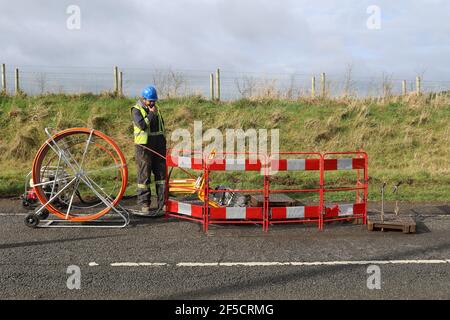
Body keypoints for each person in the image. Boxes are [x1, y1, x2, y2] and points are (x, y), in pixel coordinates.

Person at [131, 85, 166, 216]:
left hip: (159, 145)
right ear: (144, 99)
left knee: (161, 176)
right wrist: (151, 114)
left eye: (154, 100)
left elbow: (161, 128)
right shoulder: (136, 110)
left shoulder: (157, 109)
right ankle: (144, 204)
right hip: (144, 147)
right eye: (150, 101)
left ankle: (163, 204)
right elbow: (142, 125)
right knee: (144, 176)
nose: (152, 103)